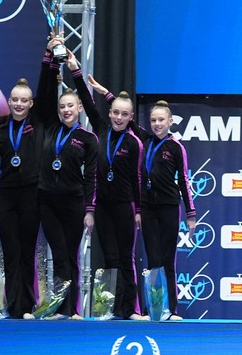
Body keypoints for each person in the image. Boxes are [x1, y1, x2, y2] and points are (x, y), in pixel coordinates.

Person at [74, 64, 145, 320]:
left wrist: (138, 210)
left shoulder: (135, 142)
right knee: (110, 257)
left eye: (124, 114)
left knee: (126, 258)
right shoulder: (101, 131)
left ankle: (132, 309)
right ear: (110, 112)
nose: (118, 118)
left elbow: (138, 179)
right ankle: (114, 309)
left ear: (130, 117)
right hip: (103, 206)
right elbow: (86, 102)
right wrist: (75, 73)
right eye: (115, 112)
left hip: (125, 205)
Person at [35, 38, 99, 318]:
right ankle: (62, 308)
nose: (66, 110)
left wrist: (89, 209)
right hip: (47, 201)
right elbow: (44, 93)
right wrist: (49, 56)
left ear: (80, 108)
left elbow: (92, 176)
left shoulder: (88, 138)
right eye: (62, 106)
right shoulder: (50, 126)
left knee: (70, 255)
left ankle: (71, 308)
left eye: (71, 106)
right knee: (58, 253)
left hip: (74, 202)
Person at [0, 65, 59, 319]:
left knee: (27, 251)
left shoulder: (38, 121)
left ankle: (27, 305)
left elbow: (47, 91)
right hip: (6, 196)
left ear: (31, 104)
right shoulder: (0, 127)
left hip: (31, 194)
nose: (19, 104)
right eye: (15, 100)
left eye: (24, 101)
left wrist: (49, 62)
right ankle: (13, 306)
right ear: (9, 102)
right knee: (10, 251)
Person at [136, 100, 196, 320]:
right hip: (148, 209)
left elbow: (184, 181)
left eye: (161, 120)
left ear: (170, 122)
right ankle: (152, 309)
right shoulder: (145, 141)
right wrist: (106, 94)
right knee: (153, 259)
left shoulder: (176, 147)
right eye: (153, 120)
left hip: (169, 206)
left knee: (167, 259)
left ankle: (170, 309)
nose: (157, 124)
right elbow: (126, 118)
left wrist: (191, 215)